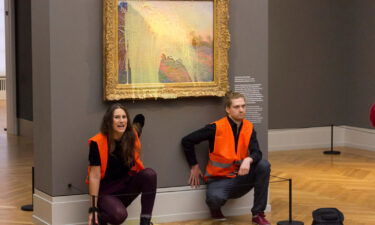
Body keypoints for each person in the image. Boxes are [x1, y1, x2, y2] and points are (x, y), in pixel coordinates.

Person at [181, 92, 271, 225]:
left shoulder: (249, 127)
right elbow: (187, 141)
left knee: (264, 165)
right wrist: (194, 165)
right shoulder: (216, 128)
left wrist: (248, 159)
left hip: (240, 177)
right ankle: (215, 208)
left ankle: (258, 214)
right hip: (219, 180)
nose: (241, 110)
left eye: (243, 106)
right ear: (228, 109)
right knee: (214, 199)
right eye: (236, 107)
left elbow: (257, 152)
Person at [87, 103, 157, 225]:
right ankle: (97, 220)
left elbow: (137, 126)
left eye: (124, 117)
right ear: (109, 121)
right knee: (120, 215)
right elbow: (94, 176)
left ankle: (145, 222)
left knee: (150, 174)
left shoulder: (131, 136)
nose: (121, 121)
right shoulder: (97, 143)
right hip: (106, 192)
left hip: (126, 187)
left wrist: (139, 121)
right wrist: (93, 209)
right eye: (117, 117)